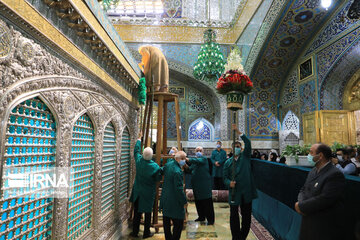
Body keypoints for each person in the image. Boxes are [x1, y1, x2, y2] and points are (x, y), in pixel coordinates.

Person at [295, 143, 346, 240]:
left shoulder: (334, 174)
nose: (309, 155)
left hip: (323, 226)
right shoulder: (313, 171)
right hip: (308, 221)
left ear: (320, 156)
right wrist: (301, 204)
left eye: (311, 152)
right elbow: (304, 189)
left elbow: (325, 199)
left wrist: (301, 206)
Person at [223, 124, 257, 240]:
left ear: (241, 149)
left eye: (238, 146)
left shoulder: (245, 157)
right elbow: (225, 178)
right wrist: (229, 183)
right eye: (235, 147)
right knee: (234, 216)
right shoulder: (228, 163)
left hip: (246, 192)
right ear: (232, 149)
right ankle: (235, 237)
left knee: (246, 216)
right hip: (234, 192)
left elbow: (248, 143)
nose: (237, 148)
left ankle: (242, 237)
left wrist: (238, 132)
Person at [129, 131, 163, 238]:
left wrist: (139, 138)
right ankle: (146, 233)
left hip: (138, 192)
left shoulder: (139, 162)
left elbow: (136, 151)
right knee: (148, 213)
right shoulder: (155, 167)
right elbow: (158, 179)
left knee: (137, 213)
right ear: (152, 155)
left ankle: (135, 232)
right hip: (148, 193)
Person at [160, 151, 188, 240]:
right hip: (175, 202)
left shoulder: (168, 165)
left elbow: (161, 171)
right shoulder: (177, 171)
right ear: (177, 159)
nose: (184, 161)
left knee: (166, 226)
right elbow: (179, 190)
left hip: (165, 200)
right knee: (178, 225)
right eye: (183, 159)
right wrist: (184, 201)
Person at [186, 146, 215, 224]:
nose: (198, 152)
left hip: (204, 185)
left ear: (203, 152)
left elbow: (197, 161)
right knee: (198, 202)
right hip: (196, 186)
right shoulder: (194, 162)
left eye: (200, 150)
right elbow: (189, 170)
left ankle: (210, 220)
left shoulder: (204, 159)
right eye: (197, 150)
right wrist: (185, 166)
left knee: (207, 202)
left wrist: (187, 159)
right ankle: (201, 217)